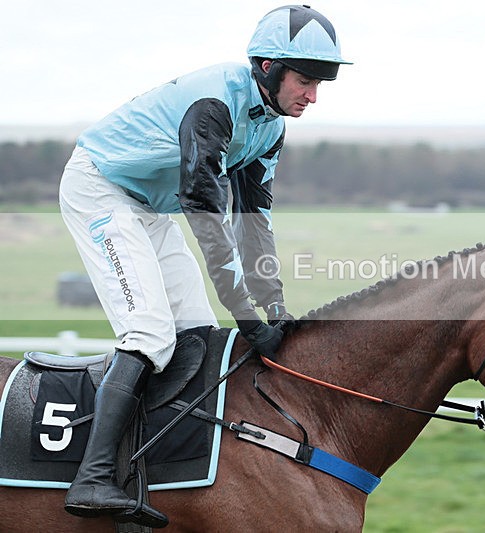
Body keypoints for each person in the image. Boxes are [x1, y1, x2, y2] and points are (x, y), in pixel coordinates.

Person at [58, 5, 350, 528]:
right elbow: (204, 207)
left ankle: (153, 467)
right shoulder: (215, 103)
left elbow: (254, 220)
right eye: (305, 81)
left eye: (319, 84)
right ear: (267, 67)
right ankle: (93, 477)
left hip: (148, 207)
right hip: (100, 190)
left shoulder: (269, 130)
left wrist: (274, 305)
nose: (312, 96)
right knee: (150, 334)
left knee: (195, 333)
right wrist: (244, 311)